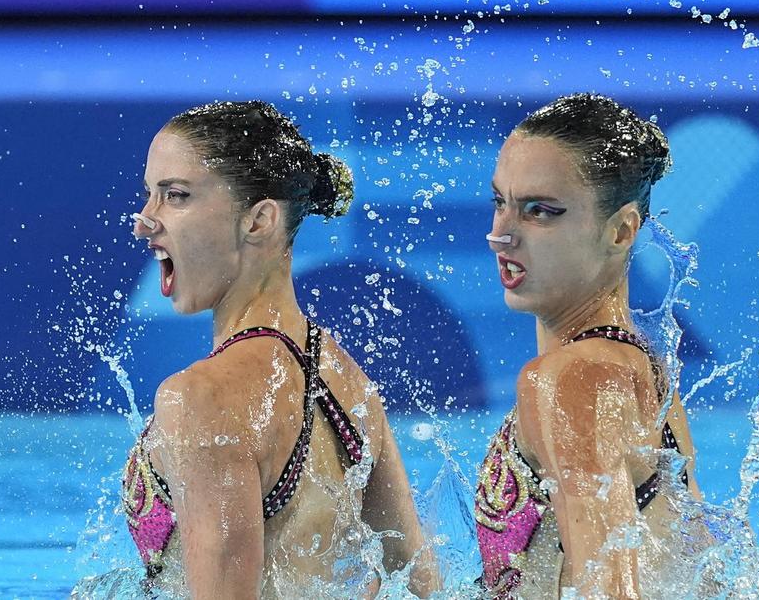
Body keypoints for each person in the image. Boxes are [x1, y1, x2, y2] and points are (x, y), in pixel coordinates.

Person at [119, 101, 438, 598]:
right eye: (149, 195)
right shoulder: (344, 379)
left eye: (175, 196)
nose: (144, 220)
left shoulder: (201, 399)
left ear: (259, 220)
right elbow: (422, 582)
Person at [474, 93, 703, 598]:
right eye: (500, 202)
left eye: (540, 211)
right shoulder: (639, 367)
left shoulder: (571, 381)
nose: (501, 235)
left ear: (620, 231)